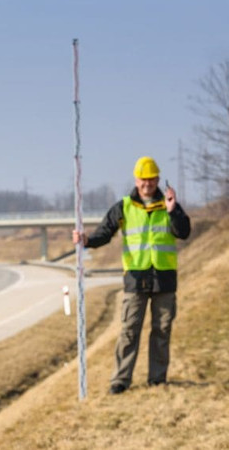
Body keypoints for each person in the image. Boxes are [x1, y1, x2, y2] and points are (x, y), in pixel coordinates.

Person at [72, 156, 190, 395]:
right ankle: (120, 380)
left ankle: (157, 378)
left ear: (157, 179)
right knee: (129, 330)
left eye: (151, 179)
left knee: (162, 330)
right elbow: (105, 233)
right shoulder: (123, 207)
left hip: (164, 279)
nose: (147, 183)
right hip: (135, 279)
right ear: (136, 180)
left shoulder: (170, 205)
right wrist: (86, 241)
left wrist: (173, 210)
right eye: (143, 179)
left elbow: (184, 232)